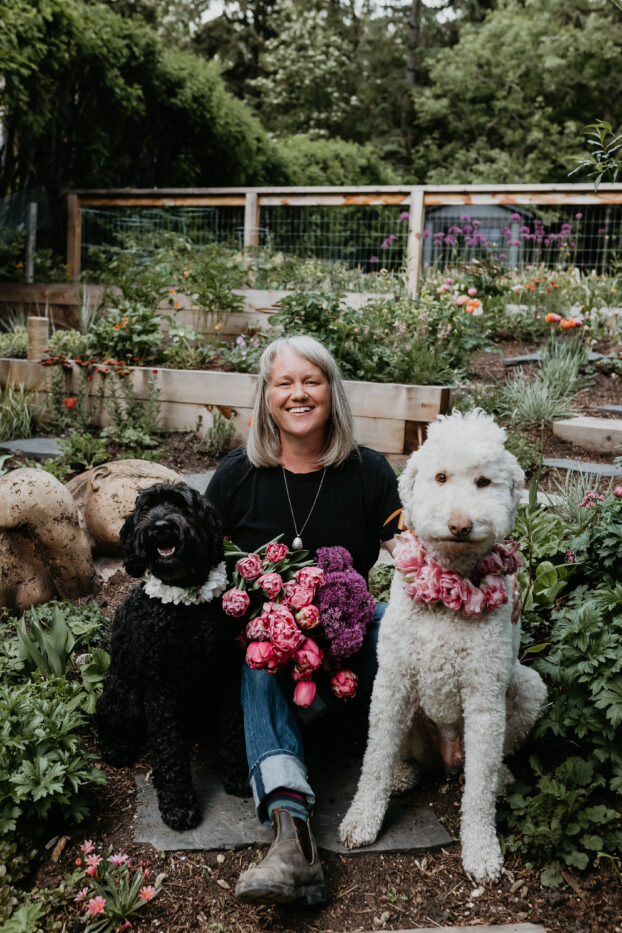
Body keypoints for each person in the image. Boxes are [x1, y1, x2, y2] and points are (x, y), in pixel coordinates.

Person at [206, 335, 402, 906]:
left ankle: (405, 741)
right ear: (266, 398)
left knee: (394, 619)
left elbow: (414, 551)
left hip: (345, 659)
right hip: (270, 667)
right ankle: (293, 839)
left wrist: (486, 574)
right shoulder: (237, 476)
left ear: (331, 392)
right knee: (258, 648)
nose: (298, 394)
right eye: (284, 382)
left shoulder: (368, 472)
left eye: (311, 381)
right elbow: (196, 557)